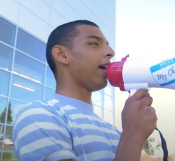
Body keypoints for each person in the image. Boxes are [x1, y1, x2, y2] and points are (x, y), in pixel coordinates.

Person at [13, 20, 157, 161]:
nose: (110, 52)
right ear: (62, 55)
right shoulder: (38, 115)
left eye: (108, 45)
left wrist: (131, 135)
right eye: (94, 44)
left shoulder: (114, 132)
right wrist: (133, 136)